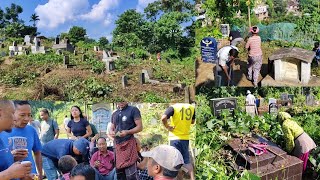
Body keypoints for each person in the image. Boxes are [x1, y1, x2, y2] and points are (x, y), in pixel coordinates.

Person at [0, 100, 43, 180]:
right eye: (12, 113)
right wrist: (10, 174)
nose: (27, 119)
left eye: (29, 115)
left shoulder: (31, 130)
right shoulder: (3, 132)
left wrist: (11, 157)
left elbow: (38, 153)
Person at [161, 103, 195, 180]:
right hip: (185, 138)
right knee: (186, 161)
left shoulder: (173, 108)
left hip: (174, 138)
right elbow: (192, 121)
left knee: (175, 162)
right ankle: (192, 178)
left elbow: (163, 118)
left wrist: (167, 126)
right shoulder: (191, 107)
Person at [109, 102, 143, 180]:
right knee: (120, 174)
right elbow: (112, 127)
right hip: (117, 145)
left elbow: (140, 127)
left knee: (131, 175)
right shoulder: (115, 113)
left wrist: (127, 132)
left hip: (129, 143)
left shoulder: (133, 110)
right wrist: (111, 132)